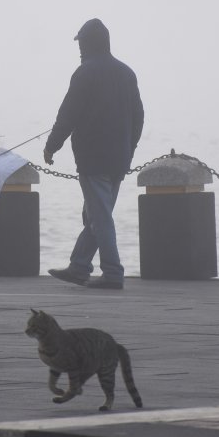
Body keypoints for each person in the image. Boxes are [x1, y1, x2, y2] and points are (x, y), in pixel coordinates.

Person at [43, 18, 144, 290]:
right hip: (119, 159)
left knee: (100, 218)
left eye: (81, 44)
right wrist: (130, 150)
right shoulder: (127, 73)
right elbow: (138, 118)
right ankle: (79, 267)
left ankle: (113, 272)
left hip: (93, 158)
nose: (79, 50)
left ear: (89, 44)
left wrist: (51, 146)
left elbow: (67, 115)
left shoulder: (84, 73)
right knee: (95, 215)